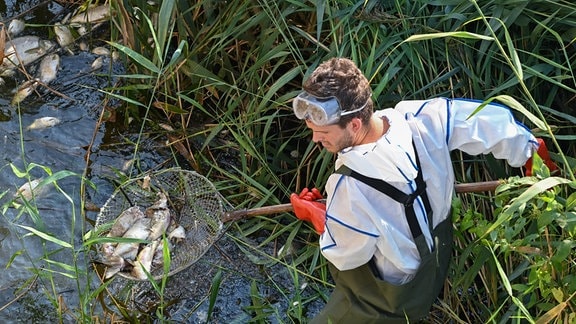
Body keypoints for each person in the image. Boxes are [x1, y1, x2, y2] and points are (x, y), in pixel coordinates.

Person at [289, 57, 558, 323]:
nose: (315, 139)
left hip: (387, 300)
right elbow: (488, 124)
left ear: (354, 124)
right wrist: (533, 153)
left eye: (323, 132)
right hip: (436, 266)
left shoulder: (348, 186)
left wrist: (317, 215)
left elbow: (346, 255)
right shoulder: (423, 119)